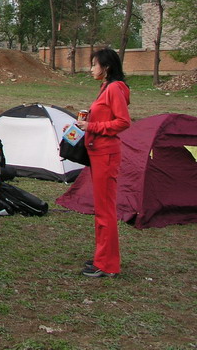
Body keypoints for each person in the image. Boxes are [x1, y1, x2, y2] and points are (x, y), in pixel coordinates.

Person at [76, 47, 131, 278]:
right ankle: (102, 256)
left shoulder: (115, 89)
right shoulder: (106, 88)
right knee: (100, 208)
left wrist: (92, 127)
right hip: (98, 153)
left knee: (105, 210)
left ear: (106, 67)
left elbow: (123, 122)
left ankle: (107, 264)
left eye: (93, 65)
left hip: (107, 155)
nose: (91, 69)